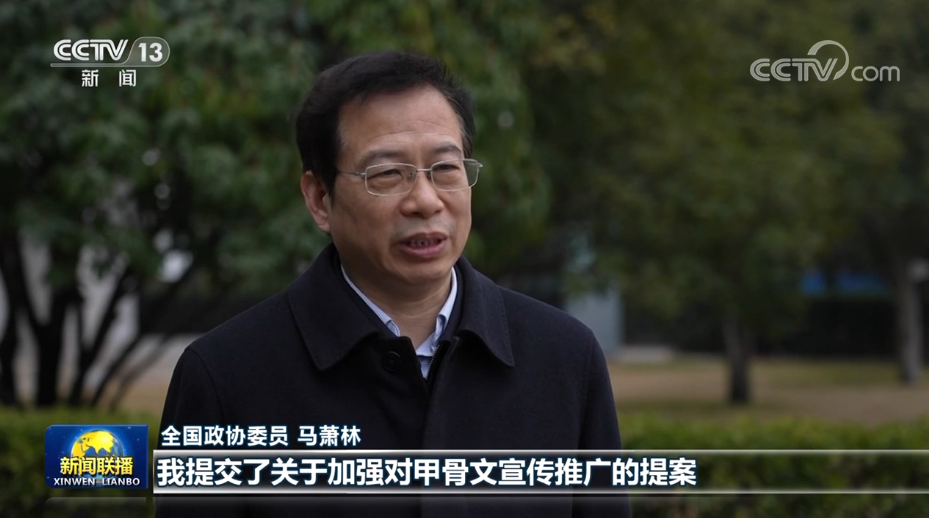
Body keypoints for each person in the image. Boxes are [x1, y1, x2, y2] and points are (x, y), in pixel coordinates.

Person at [157, 50, 632, 518]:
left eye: (445, 169)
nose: (425, 201)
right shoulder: (223, 377)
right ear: (319, 198)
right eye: (387, 174)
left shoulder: (565, 358)